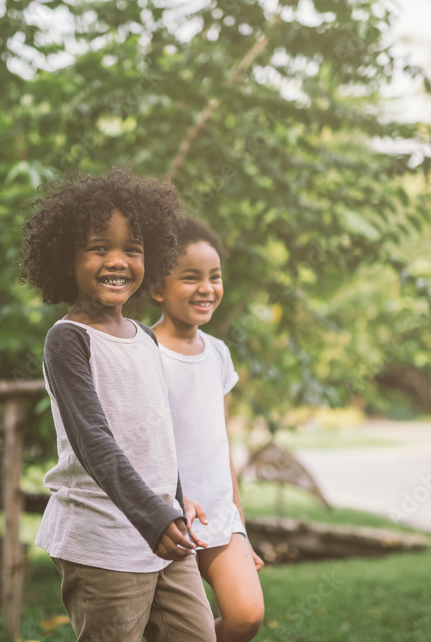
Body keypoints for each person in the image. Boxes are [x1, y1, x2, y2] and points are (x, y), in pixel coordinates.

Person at [19, 167, 217, 642]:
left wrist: (172, 495)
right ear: (66, 259)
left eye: (133, 249)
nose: (118, 260)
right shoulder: (68, 339)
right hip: (103, 541)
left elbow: (153, 431)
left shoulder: (146, 338)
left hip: (163, 533)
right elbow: (94, 441)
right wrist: (153, 513)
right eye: (99, 247)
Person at [150, 218, 265, 642]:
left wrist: (240, 524)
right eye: (190, 277)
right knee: (182, 629)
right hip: (169, 514)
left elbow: (221, 443)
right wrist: (168, 502)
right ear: (158, 289)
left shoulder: (218, 352)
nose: (207, 288)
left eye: (214, 277)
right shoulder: (145, 351)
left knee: (247, 616)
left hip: (219, 513)